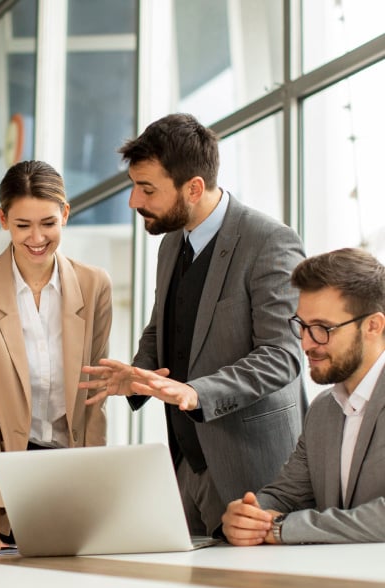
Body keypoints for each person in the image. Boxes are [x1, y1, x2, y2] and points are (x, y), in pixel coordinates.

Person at [81, 113, 306, 537]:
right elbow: (163, 324)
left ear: (194, 187)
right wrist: (137, 373)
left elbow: (283, 355)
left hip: (255, 471)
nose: (133, 201)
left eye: (147, 189)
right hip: (186, 465)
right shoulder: (171, 243)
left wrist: (196, 392)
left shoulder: (269, 241)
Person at [0, 160, 112, 550]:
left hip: (63, 478)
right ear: (3, 219)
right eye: (23, 225)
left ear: (65, 214)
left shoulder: (94, 284)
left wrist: (96, 491)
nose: (37, 237)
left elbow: (94, 397)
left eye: (48, 223)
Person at [222, 248, 385, 545]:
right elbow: (287, 493)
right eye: (303, 326)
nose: (307, 343)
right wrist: (248, 514)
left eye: (323, 328)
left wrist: (282, 528)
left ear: (373, 325)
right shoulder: (324, 409)